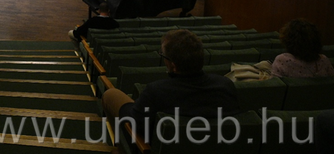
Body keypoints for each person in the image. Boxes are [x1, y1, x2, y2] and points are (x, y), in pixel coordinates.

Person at [102, 29, 239, 142]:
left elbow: (135, 123)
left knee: (111, 94)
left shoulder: (156, 91)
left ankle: (121, 147)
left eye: (163, 56)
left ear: (173, 66)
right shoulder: (225, 85)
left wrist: (133, 106)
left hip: (154, 146)